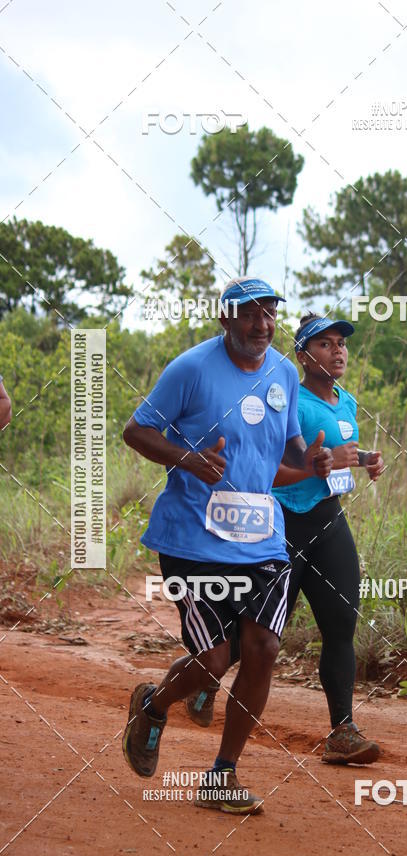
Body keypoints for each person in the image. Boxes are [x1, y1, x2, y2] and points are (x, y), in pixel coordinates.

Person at [121, 278, 333, 815]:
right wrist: (189, 459)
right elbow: (136, 430)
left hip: (261, 537)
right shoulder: (190, 368)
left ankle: (222, 775)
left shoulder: (284, 373)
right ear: (225, 318)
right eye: (250, 315)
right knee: (214, 659)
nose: (262, 325)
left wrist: (315, 463)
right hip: (192, 537)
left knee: (262, 648)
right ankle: (152, 704)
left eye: (269, 315)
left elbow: (288, 457)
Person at [186, 313, 385, 765]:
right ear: (302, 356)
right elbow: (281, 452)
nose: (337, 352)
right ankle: (205, 678)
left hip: (328, 521)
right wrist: (322, 459)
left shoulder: (345, 401)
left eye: (341, 344)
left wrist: (367, 459)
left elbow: (336, 453)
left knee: (341, 624)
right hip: (282, 522)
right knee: (259, 630)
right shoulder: (286, 397)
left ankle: (342, 731)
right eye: (325, 345)